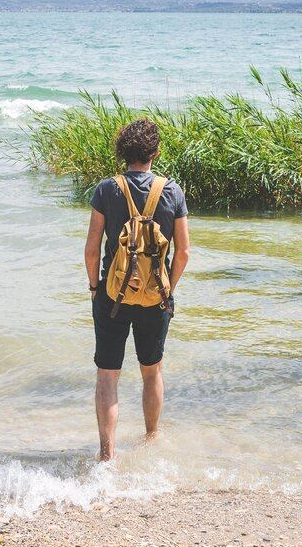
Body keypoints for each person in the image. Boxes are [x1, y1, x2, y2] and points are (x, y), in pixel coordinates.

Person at [84, 118, 190, 461]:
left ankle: (106, 456)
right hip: (155, 299)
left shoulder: (106, 189)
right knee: (151, 370)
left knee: (107, 376)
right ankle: (152, 441)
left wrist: (95, 288)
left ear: (123, 153)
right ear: (155, 152)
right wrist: (166, 291)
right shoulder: (172, 191)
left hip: (113, 298)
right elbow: (184, 252)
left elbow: (91, 248)